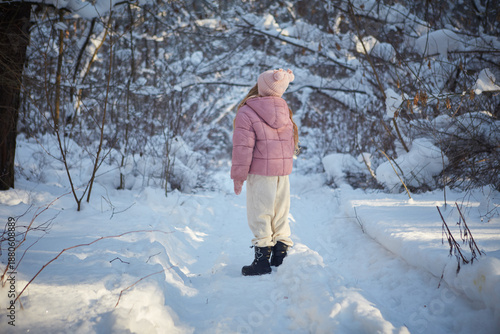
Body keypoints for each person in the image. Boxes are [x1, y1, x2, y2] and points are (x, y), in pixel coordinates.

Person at [231, 68, 299, 276]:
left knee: (260, 213)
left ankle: (261, 262)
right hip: (282, 173)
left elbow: (243, 149)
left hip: (260, 173)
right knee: (280, 213)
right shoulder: (284, 110)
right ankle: (280, 256)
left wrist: (238, 177)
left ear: (261, 87)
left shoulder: (247, 112)